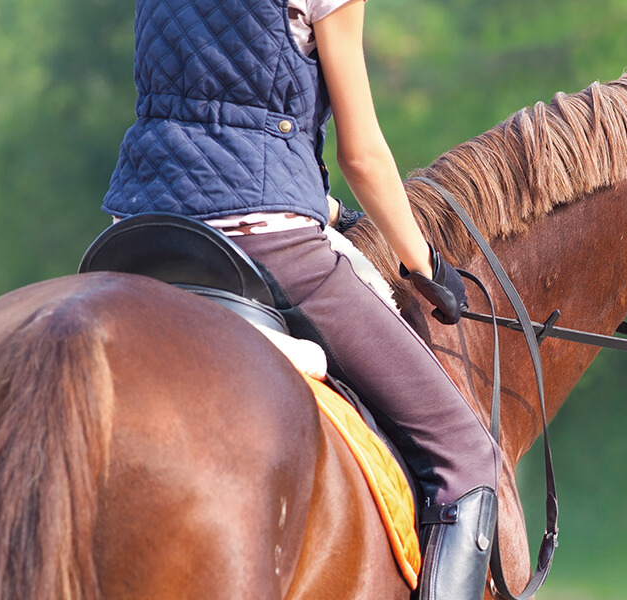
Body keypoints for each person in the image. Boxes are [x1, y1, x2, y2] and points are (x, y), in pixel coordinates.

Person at [101, 0, 500, 597]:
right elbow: (361, 155)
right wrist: (426, 264)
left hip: (134, 236)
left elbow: (203, 126)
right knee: (468, 458)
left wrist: (326, 207)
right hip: (265, 243)